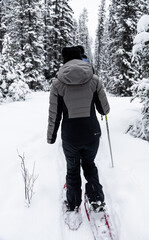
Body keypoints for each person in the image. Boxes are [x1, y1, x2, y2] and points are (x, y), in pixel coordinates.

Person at [47, 46, 110, 212]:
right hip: (92, 133)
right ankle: (96, 199)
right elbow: (104, 110)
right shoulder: (94, 80)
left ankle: (73, 203)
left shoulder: (57, 84)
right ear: (80, 57)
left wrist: (51, 137)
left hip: (70, 135)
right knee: (89, 165)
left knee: (72, 169)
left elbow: (54, 114)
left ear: (64, 60)